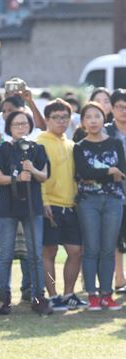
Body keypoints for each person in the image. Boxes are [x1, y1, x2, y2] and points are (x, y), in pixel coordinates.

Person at [0, 110, 52, 315]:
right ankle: (2, 298)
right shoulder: (2, 150)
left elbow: (44, 175)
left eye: (24, 123)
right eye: (16, 124)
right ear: (9, 127)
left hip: (32, 206)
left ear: (30, 125)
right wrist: (17, 178)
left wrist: (32, 170)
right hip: (7, 207)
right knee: (5, 255)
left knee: (35, 254)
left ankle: (38, 297)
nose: (20, 127)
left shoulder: (37, 149)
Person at [74, 102, 125, 311]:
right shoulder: (79, 147)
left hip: (114, 200)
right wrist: (107, 171)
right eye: (89, 117)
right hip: (88, 202)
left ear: (103, 118)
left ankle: (106, 294)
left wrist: (107, 172)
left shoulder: (115, 143)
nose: (93, 120)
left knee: (108, 248)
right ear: (83, 122)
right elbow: (83, 173)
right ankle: (92, 295)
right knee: (91, 248)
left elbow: (121, 171)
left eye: (97, 116)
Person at [36, 99, 85, 310]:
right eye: (56, 117)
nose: (61, 121)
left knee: (76, 251)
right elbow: (39, 177)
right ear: (47, 119)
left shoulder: (71, 144)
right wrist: (44, 202)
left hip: (70, 206)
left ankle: (68, 294)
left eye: (65, 117)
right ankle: (53, 296)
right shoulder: (40, 142)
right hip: (50, 205)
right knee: (49, 252)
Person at [104, 89, 126, 293]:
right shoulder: (105, 132)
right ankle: (119, 278)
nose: (124, 110)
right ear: (111, 108)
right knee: (116, 237)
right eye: (120, 106)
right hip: (112, 192)